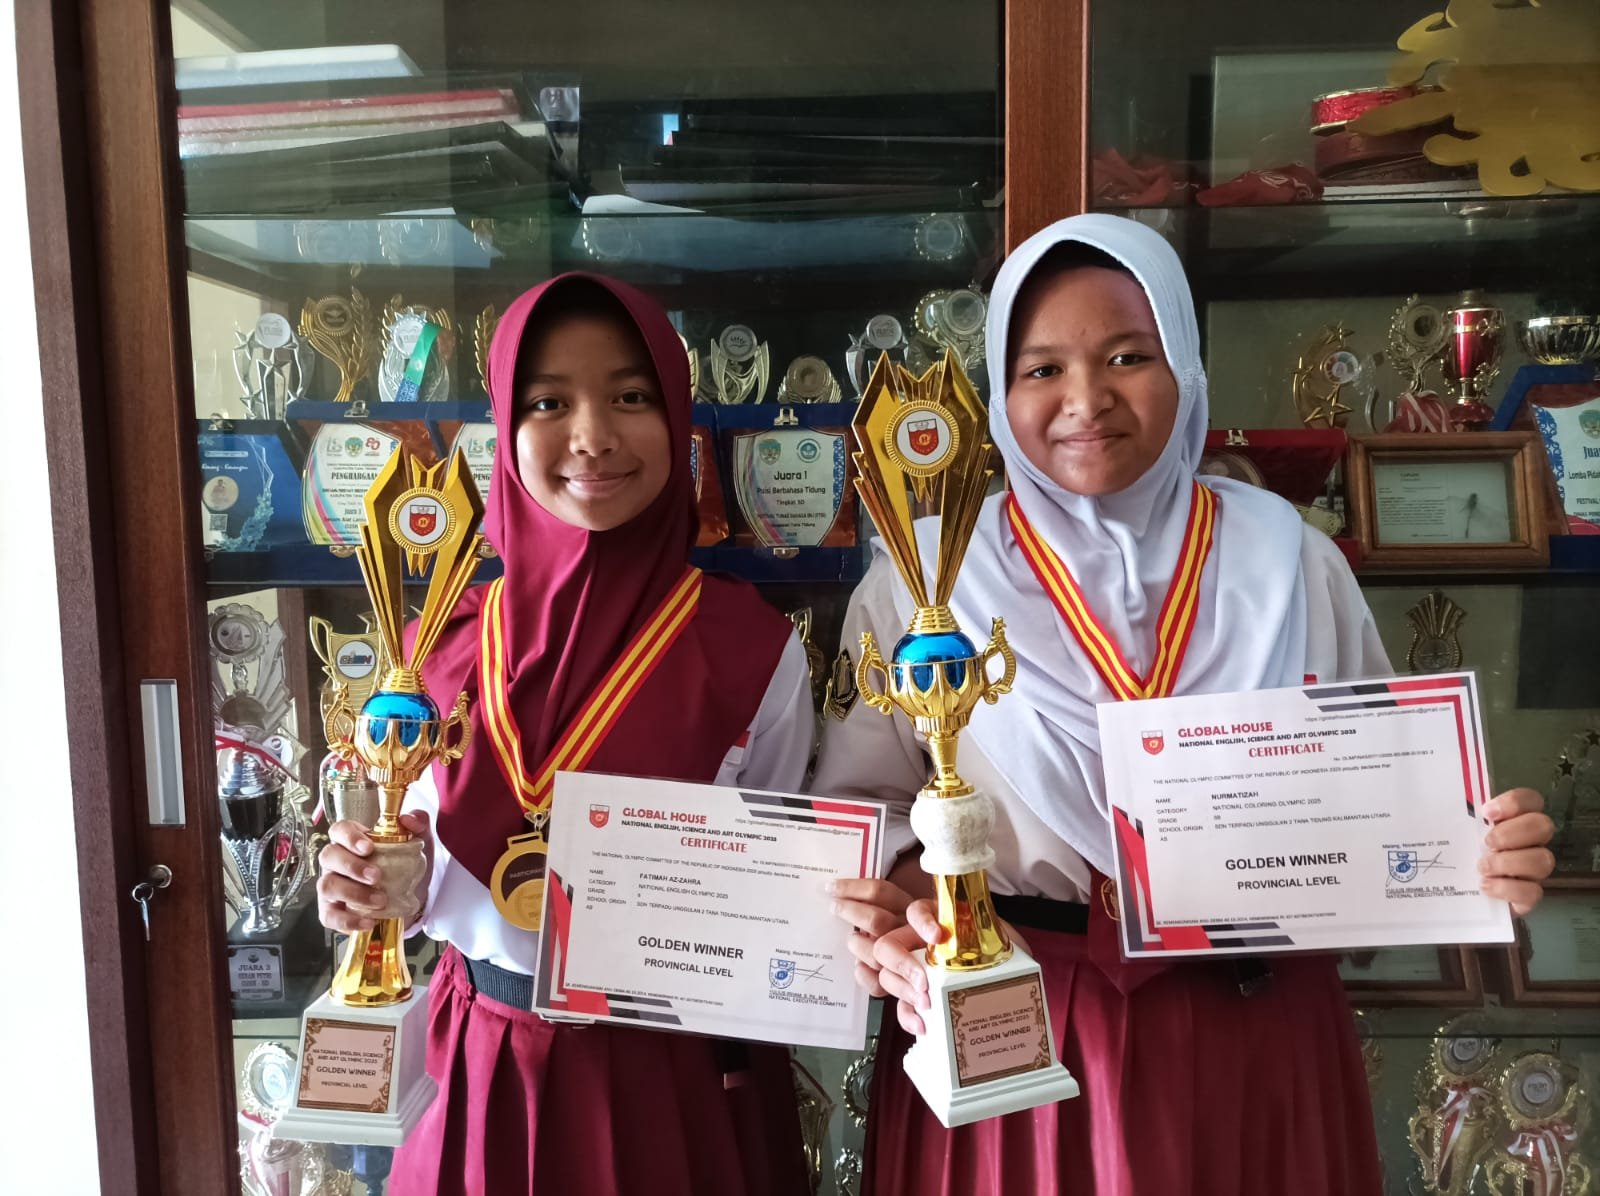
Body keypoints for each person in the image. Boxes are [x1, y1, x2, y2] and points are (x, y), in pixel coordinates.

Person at [814, 214, 1556, 1195]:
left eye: (1129, 356)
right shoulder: (927, 578)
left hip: (1255, 1020)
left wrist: (1474, 852)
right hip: (1013, 1015)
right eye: (1041, 369)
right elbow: (861, 815)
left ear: (1186, 368)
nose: (1086, 399)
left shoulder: (1288, 559)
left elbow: (1386, 800)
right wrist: (912, 910)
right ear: (998, 389)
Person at [315, 273, 814, 1196]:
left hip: (672, 1078)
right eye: (548, 403)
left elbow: (776, 902)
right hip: (477, 1064)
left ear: (678, 415)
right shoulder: (434, 649)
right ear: (505, 429)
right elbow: (420, 877)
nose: (592, 437)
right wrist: (383, 888)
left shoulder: (754, 653)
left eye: (631, 397)